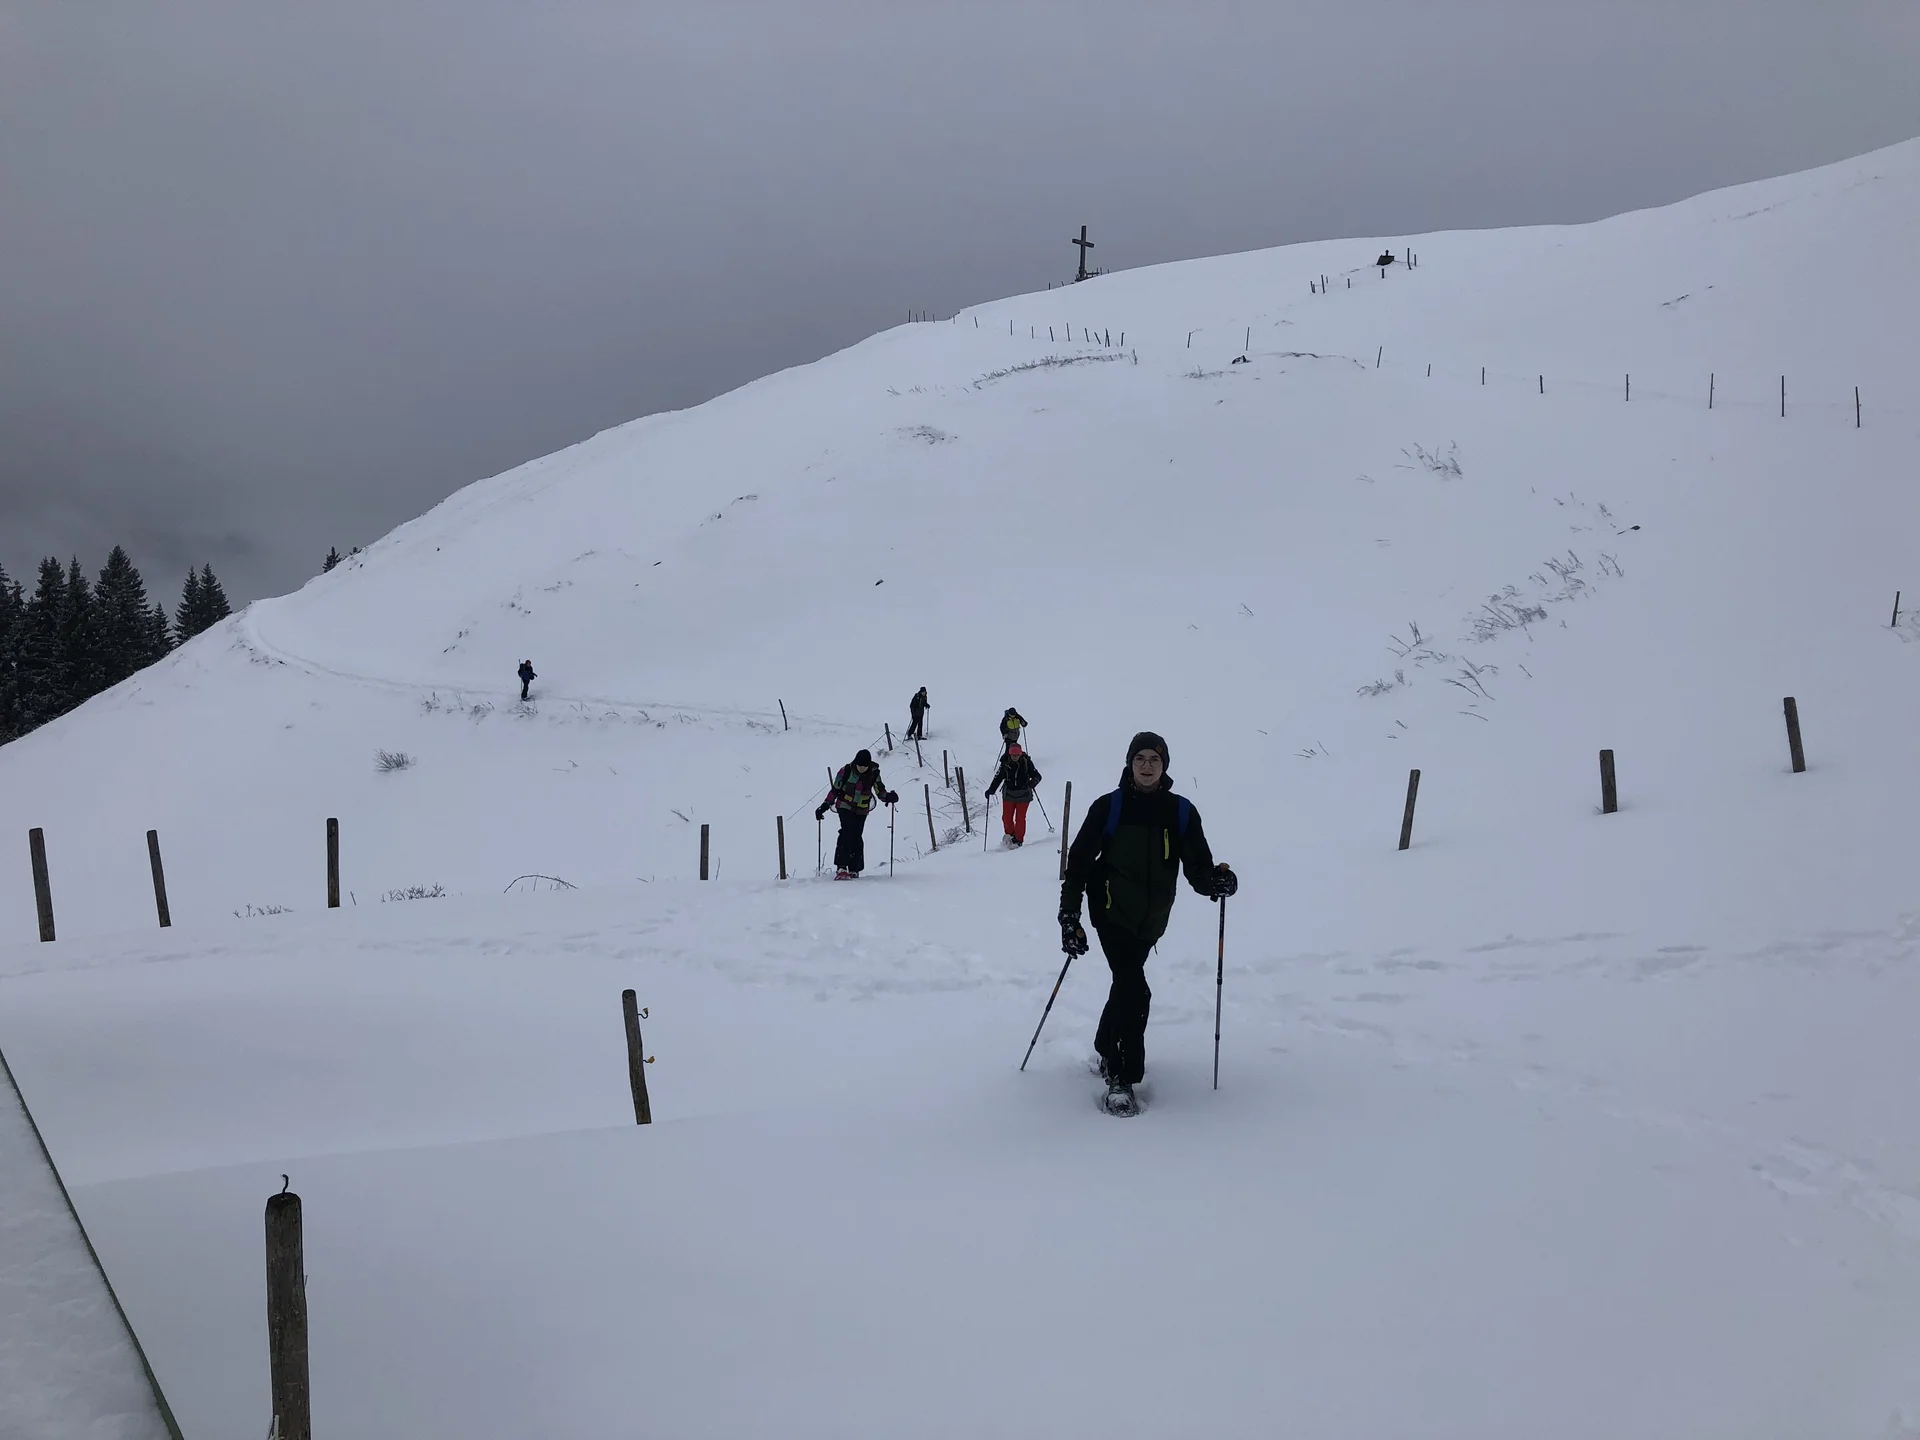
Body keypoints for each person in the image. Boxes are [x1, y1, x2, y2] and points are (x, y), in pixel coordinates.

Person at [1057, 731, 1237, 1114]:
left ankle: (1107, 1048)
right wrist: (1069, 916)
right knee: (1136, 991)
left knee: (1126, 982)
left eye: (1154, 759)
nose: (1147, 766)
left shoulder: (1181, 811)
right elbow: (1078, 866)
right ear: (1129, 763)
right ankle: (1122, 1078)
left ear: (1164, 765)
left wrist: (1217, 883)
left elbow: (1198, 869)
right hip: (1110, 911)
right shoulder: (1109, 807)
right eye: (1140, 758)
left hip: (1152, 921)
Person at [815, 749, 899, 879]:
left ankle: (854, 868)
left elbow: (880, 790)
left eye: (865, 766)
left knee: (857, 836)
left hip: (862, 809)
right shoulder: (846, 771)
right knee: (847, 831)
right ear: (855, 762)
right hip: (844, 805)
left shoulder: (874, 773)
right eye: (860, 765)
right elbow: (835, 789)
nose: (862, 768)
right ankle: (841, 867)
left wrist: (888, 797)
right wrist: (825, 806)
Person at [984, 743, 1042, 847]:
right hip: (1009, 794)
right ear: (1010, 755)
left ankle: (1018, 840)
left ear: (1020, 754)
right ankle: (1010, 834)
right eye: (1013, 755)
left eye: (1017, 755)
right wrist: (991, 790)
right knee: (1006, 817)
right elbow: (998, 778)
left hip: (1024, 794)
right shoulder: (1005, 763)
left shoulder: (1026, 762)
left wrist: (1033, 782)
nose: (1015, 757)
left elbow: (1037, 776)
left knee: (1020, 818)